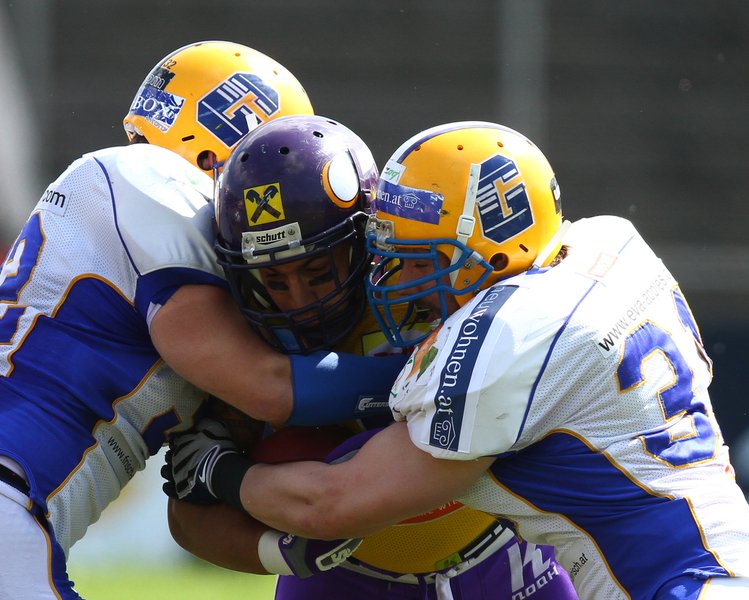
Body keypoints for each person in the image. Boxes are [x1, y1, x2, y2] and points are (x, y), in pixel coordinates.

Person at [168, 121, 749, 599]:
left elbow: (334, 503)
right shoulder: (608, 242)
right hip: (721, 554)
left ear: (494, 244)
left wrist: (221, 472)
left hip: (667, 584)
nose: (406, 283)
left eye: (425, 260)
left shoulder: (505, 339)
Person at [0, 41, 403, 600]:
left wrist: (282, 550)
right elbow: (268, 387)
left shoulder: (196, 300)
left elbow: (190, 499)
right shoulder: (151, 177)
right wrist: (430, 377)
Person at [165, 114, 578, 600]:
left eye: (317, 271)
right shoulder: (246, 339)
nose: (298, 299)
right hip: (348, 577)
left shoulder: (435, 287)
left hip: (498, 555)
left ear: (365, 241)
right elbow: (188, 514)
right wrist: (283, 554)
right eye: (274, 280)